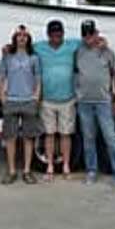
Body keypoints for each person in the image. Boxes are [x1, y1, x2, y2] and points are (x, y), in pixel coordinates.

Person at [74, 19, 115, 187]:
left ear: (97, 33)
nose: (88, 37)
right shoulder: (78, 51)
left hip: (104, 102)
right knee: (88, 139)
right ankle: (91, 171)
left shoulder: (107, 52)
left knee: (110, 138)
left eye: (91, 33)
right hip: (84, 103)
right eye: (85, 34)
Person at [34, 20, 83, 182]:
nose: (56, 38)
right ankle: (49, 166)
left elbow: (89, 40)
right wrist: (8, 48)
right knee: (49, 134)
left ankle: (66, 165)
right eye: (53, 35)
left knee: (65, 134)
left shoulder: (72, 45)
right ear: (48, 35)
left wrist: (101, 40)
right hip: (47, 99)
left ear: (63, 34)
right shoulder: (39, 47)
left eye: (59, 35)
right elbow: (23, 47)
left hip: (67, 99)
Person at [0, 24, 43, 185]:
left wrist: (36, 97)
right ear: (14, 38)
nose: (22, 38)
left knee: (28, 138)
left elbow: (38, 79)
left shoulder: (34, 58)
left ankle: (27, 170)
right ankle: (11, 171)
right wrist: (2, 97)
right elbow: (2, 77)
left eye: (25, 36)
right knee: (10, 137)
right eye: (19, 35)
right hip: (12, 101)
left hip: (28, 100)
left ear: (28, 39)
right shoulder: (7, 56)